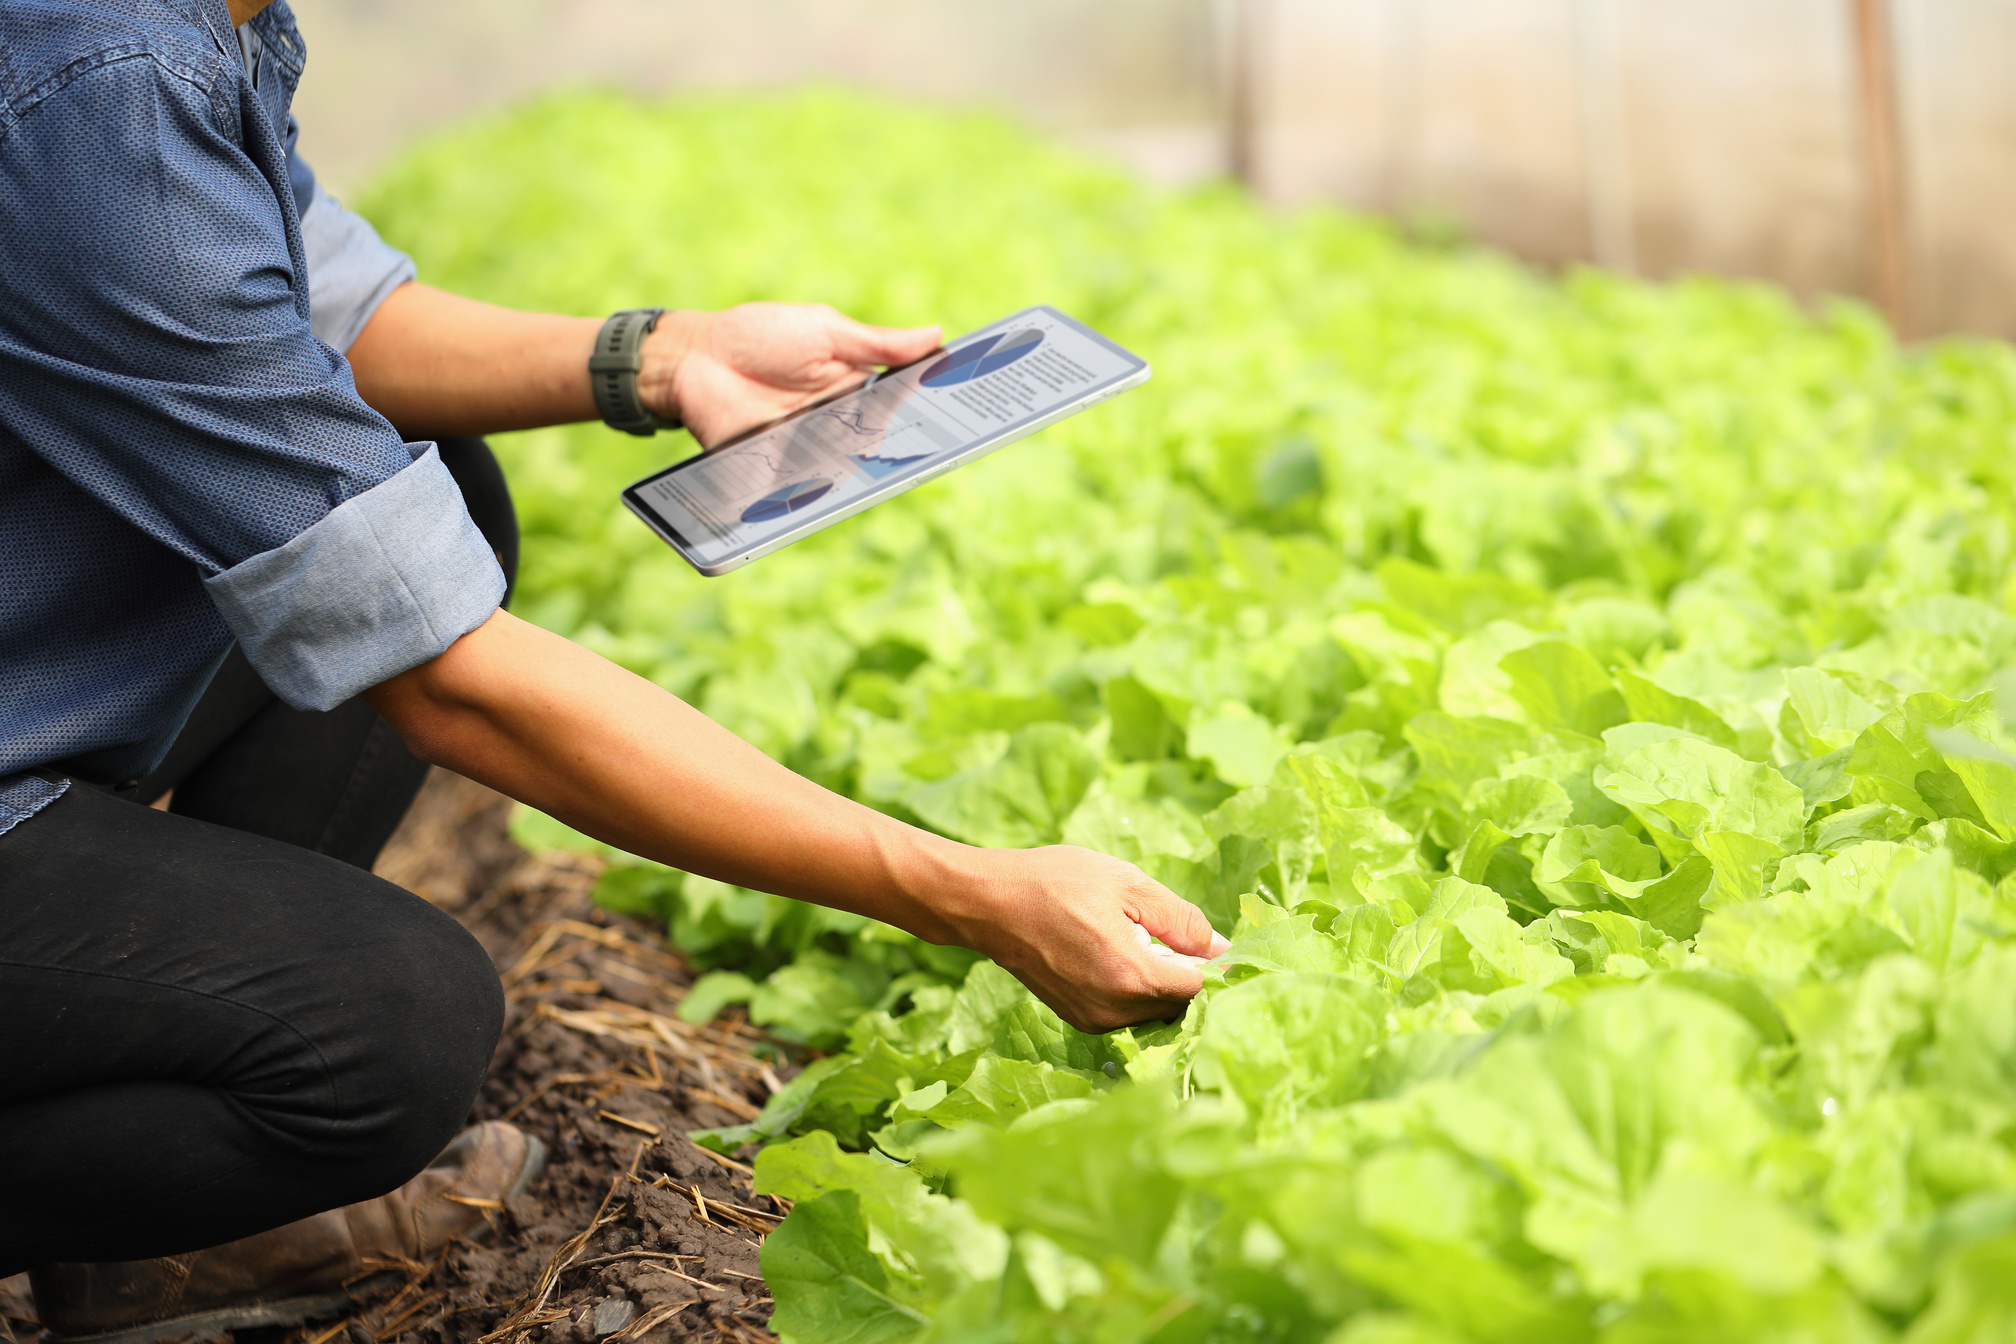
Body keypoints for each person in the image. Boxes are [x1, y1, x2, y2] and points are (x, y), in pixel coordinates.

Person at [0, 0, 1229, 1337]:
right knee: (386, 1029)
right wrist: (961, 889)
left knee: (440, 490)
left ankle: (149, 1204)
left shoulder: (187, 30)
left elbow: (316, 312)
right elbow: (444, 676)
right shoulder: (100, 92)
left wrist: (660, 356)